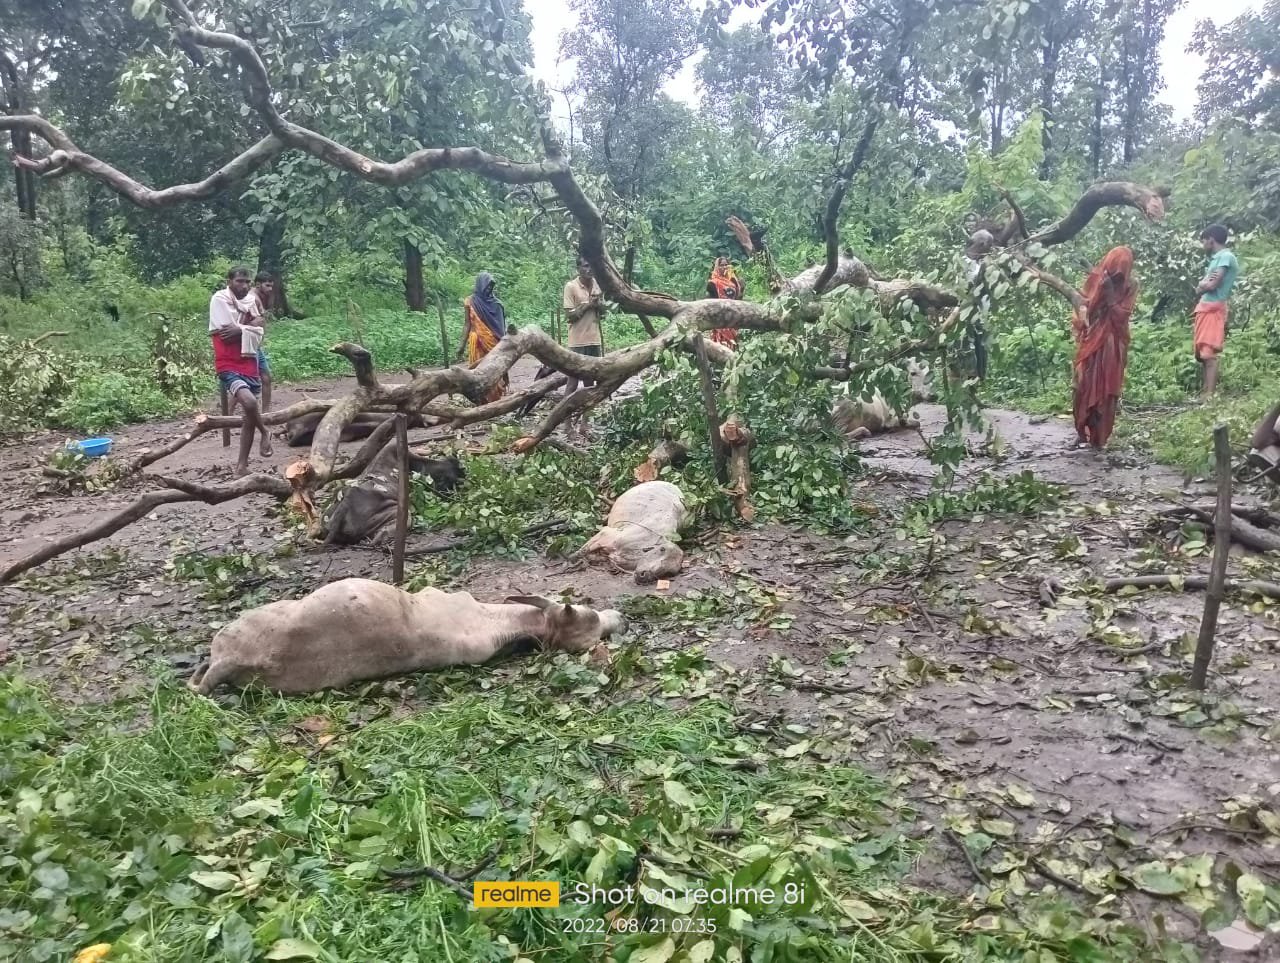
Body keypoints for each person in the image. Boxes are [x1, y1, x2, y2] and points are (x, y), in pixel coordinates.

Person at [1071, 246, 1138, 450]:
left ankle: (1099, 438)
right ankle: (1081, 431)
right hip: (1091, 338)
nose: (1117, 277)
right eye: (1114, 271)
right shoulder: (1096, 278)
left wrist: (1110, 295)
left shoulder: (1131, 285)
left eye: (1121, 274)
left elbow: (1122, 316)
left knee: (1106, 392)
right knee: (1081, 385)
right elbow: (1082, 305)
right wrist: (1085, 317)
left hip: (1113, 343)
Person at [209, 265, 272, 475]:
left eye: (247, 282)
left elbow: (259, 330)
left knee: (248, 416)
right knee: (250, 402)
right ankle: (265, 431)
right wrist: (251, 324)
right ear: (229, 282)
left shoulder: (251, 301)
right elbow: (226, 334)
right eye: (239, 281)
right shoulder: (219, 299)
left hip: (248, 359)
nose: (244, 286)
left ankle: (241, 466)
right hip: (227, 361)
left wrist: (242, 327)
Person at [1193, 224, 1240, 398]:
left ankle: (1210, 396)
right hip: (1205, 307)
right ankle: (1205, 393)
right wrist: (1203, 285)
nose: (1203, 244)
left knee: (1209, 354)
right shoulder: (1215, 259)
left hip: (1213, 308)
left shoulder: (1226, 257)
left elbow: (1212, 284)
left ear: (1211, 240)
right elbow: (1201, 287)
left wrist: (1203, 284)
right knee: (1201, 354)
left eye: (1204, 241)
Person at [461, 272, 508, 404]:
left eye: (491, 287)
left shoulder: (497, 304)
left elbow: (501, 329)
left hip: (493, 344)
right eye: (487, 286)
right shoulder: (470, 302)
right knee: (478, 372)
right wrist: (461, 345)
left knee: (494, 370)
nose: (489, 289)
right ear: (480, 285)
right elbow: (467, 324)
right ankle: (481, 401)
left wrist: (504, 344)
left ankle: (495, 402)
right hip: (477, 344)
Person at [562, 255, 605, 396]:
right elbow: (569, 316)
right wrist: (588, 305)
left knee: (590, 381)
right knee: (573, 381)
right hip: (577, 342)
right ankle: (564, 409)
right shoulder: (571, 287)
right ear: (578, 268)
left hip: (594, 340)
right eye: (586, 266)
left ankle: (587, 411)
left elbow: (603, 313)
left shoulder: (598, 285)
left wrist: (600, 305)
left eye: (591, 265)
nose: (589, 269)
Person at [249, 272, 275, 413]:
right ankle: (227, 414)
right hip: (251, 345)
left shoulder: (259, 297)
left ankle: (266, 413)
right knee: (247, 381)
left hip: (256, 345)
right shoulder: (252, 298)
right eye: (267, 285)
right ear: (258, 284)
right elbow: (250, 322)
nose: (270, 289)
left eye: (271, 286)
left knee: (266, 378)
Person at [706, 256, 742, 347]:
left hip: (732, 316)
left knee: (733, 343)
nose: (724, 267)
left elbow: (738, 298)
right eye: (721, 265)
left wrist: (734, 279)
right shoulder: (713, 283)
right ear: (717, 267)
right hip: (719, 317)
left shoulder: (733, 282)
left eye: (726, 265)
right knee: (720, 344)